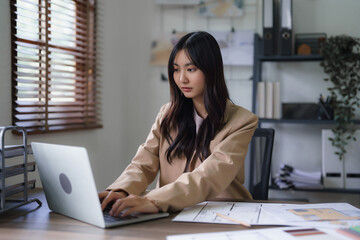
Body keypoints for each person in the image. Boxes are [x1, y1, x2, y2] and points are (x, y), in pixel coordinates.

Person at [99, 31, 258, 217]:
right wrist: (120, 191)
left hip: (220, 214)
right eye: (176, 69)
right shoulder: (167, 114)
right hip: (170, 213)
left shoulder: (242, 121)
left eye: (191, 69)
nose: (182, 79)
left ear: (211, 70)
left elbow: (209, 175)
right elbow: (144, 163)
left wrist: (152, 200)